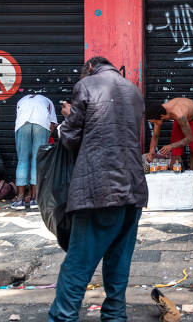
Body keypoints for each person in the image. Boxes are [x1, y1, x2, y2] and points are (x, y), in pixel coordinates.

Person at [48, 57, 147, 321]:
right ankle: (115, 316)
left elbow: (72, 138)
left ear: (90, 68)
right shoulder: (133, 89)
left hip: (98, 189)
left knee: (78, 265)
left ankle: (63, 317)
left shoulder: (86, 84)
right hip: (133, 189)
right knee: (118, 263)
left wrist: (68, 118)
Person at [145, 98, 193, 203]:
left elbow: (190, 138)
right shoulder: (159, 112)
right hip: (181, 121)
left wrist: (171, 146)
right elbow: (155, 135)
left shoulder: (179, 115)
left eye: (155, 122)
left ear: (162, 117)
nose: (155, 124)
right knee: (175, 154)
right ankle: (174, 189)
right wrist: (151, 150)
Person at [12, 93, 58, 210]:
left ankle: (20, 199)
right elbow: (52, 124)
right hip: (41, 124)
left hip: (22, 124)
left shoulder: (22, 100)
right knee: (37, 161)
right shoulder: (47, 101)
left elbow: (19, 117)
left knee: (22, 160)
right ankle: (35, 199)